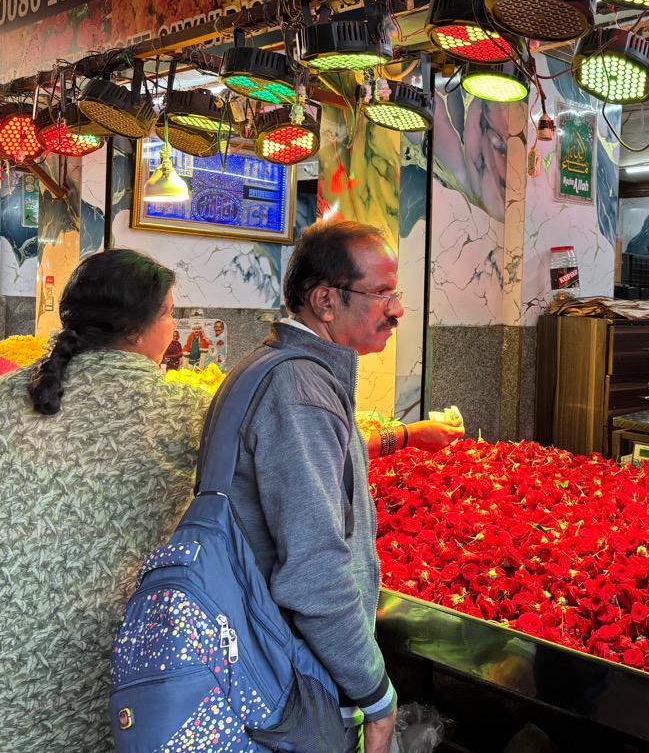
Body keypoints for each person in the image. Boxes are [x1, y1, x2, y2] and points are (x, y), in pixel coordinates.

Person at [226, 219, 455, 753]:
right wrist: (373, 692)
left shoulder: (293, 372)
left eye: (395, 293)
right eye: (381, 294)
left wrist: (400, 439)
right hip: (291, 668)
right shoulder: (299, 390)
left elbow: (319, 463)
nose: (397, 310)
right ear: (325, 301)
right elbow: (312, 571)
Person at [0, 250, 212, 750]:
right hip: (95, 653)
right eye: (170, 313)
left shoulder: (10, 391)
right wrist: (392, 440)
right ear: (139, 330)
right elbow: (288, 450)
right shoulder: (185, 411)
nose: (174, 327)